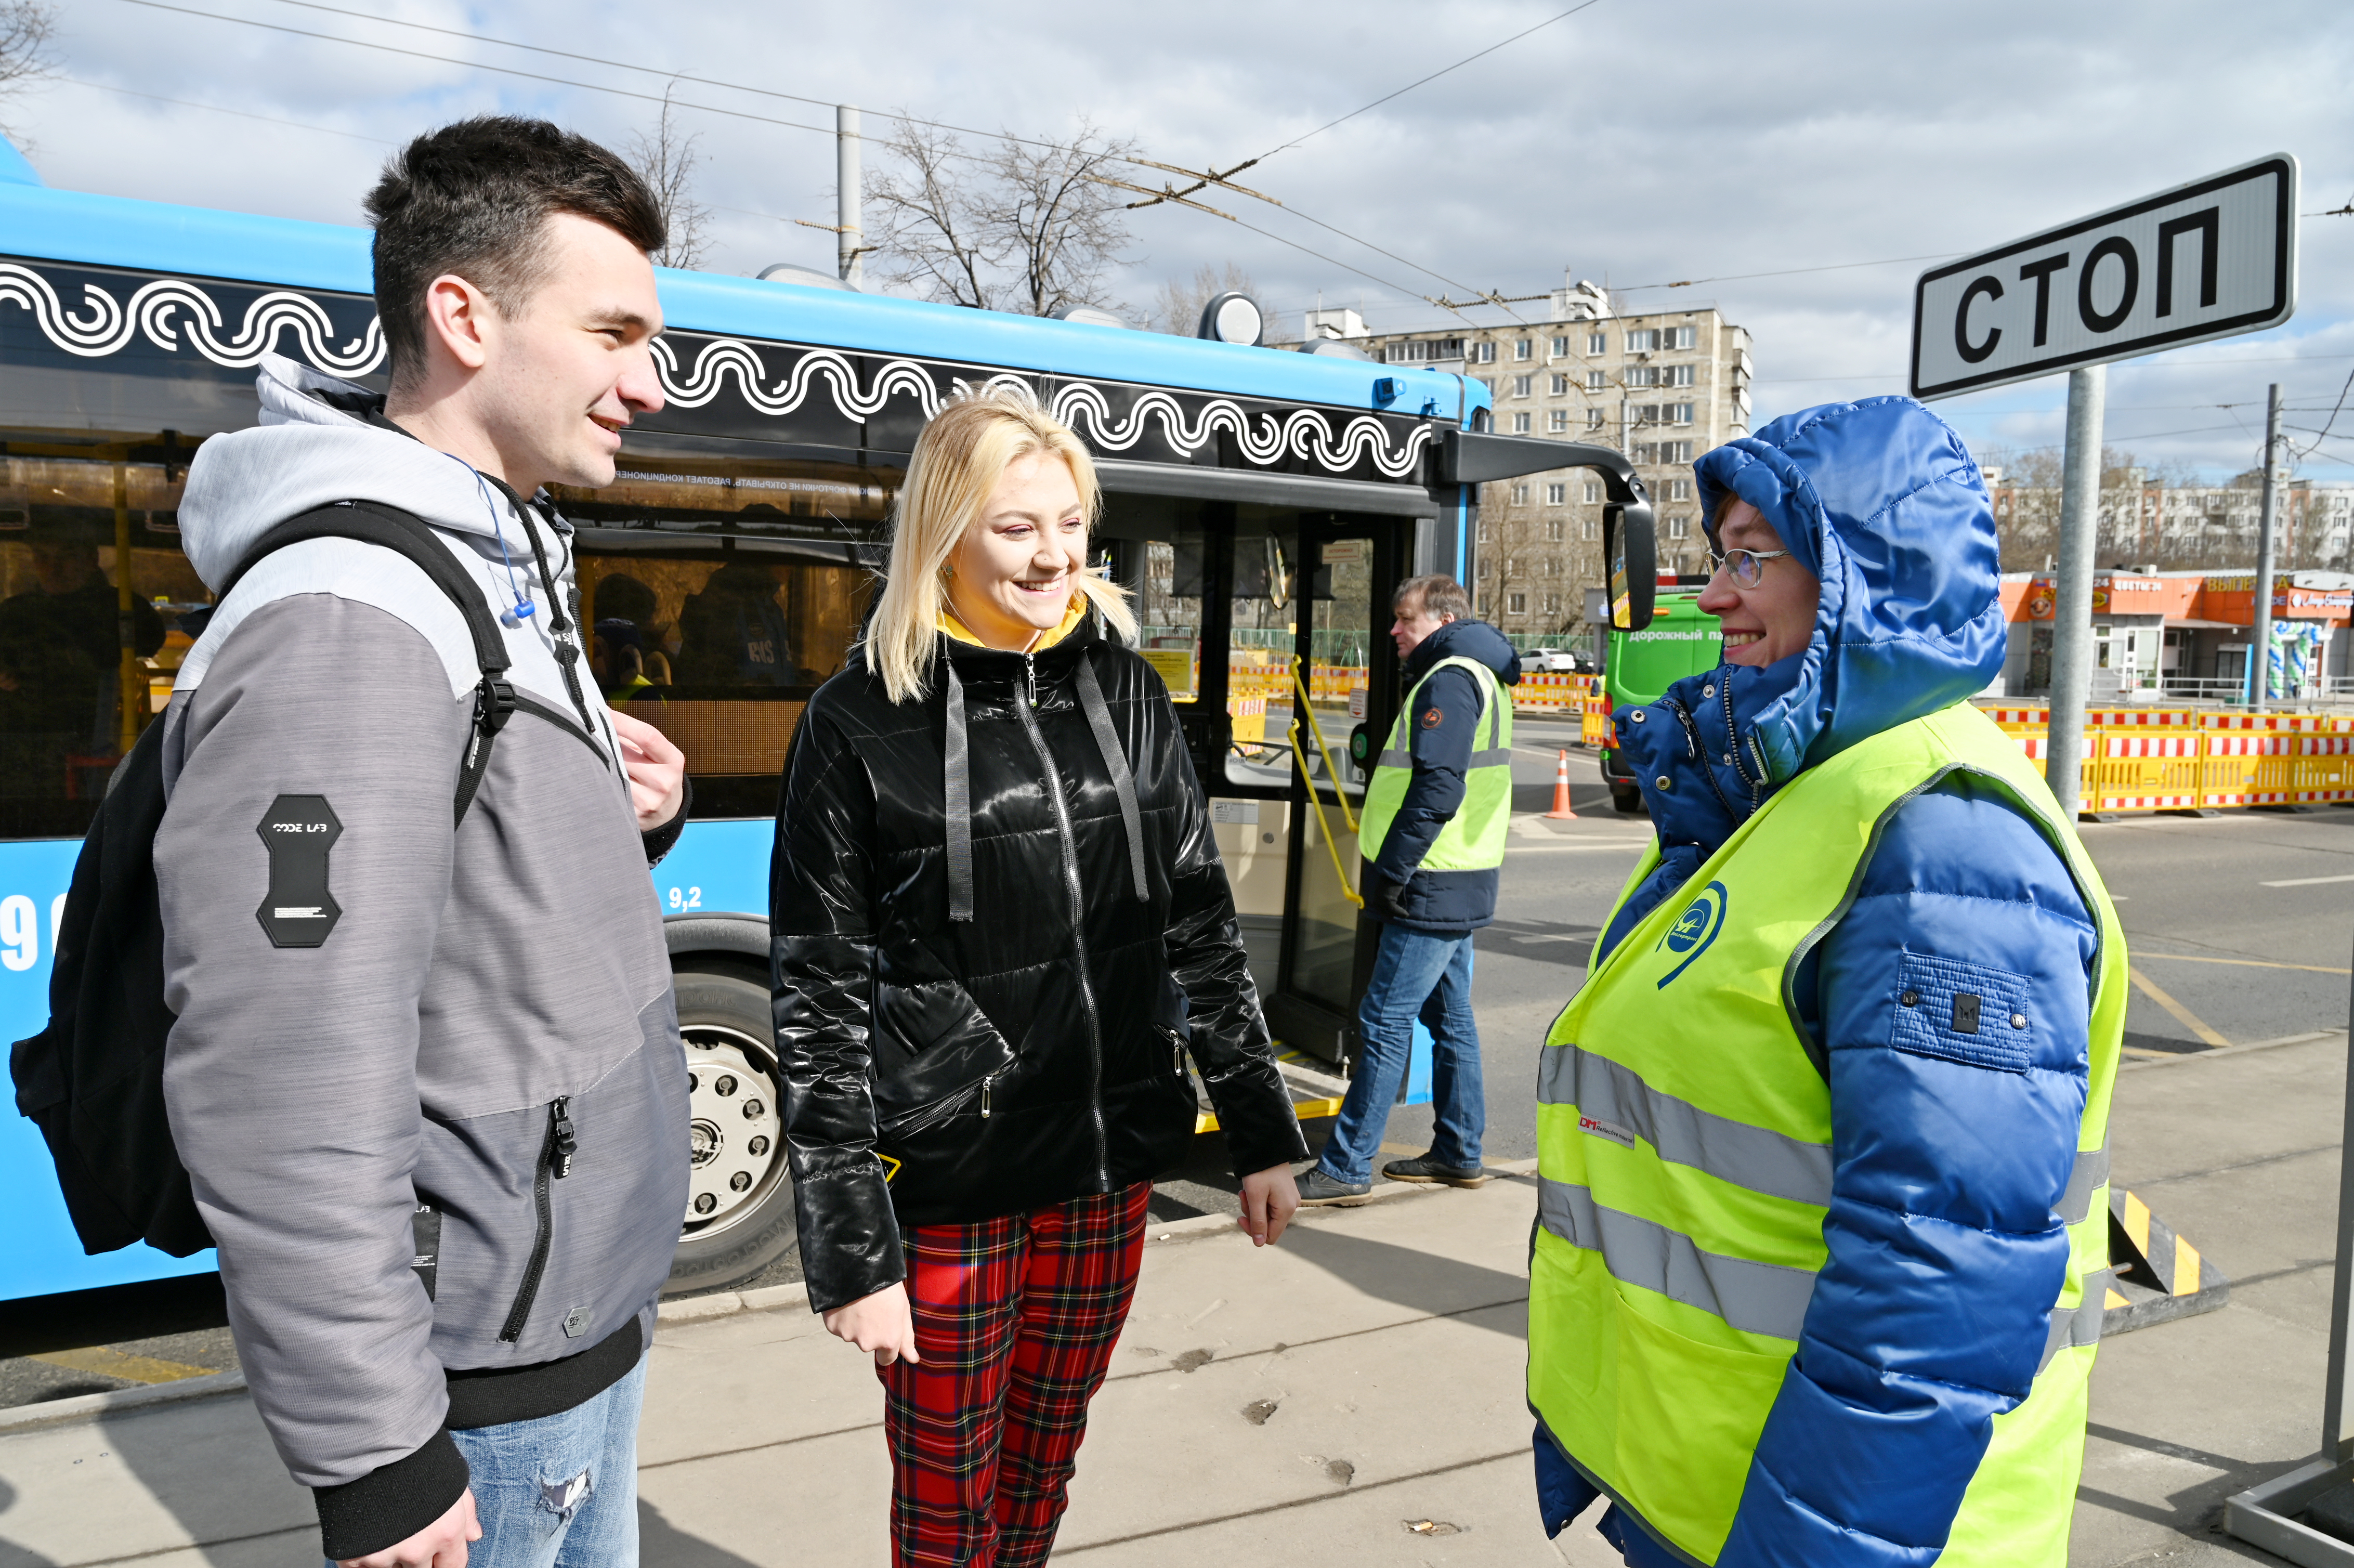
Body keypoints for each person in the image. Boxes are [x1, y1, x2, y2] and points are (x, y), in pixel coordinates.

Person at [155, 117, 697, 1568]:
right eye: (614, 331)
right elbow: (284, 1057)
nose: (651, 382)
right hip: (481, 1385)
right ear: (463, 314)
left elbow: (474, 913)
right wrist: (375, 1449)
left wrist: (616, 810)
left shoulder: (499, 551)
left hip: (565, 1318)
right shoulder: (351, 614)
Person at [1528, 397, 2124, 1567]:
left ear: (1865, 581)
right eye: (1717, 556)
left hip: (1826, 1534)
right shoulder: (1803, 790)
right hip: (1709, 1487)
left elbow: (1932, 1290)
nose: (1711, 595)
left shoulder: (1941, 847)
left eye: (1753, 557)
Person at [771, 389, 1305, 1567]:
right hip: (952, 1189)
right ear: (945, 532)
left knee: (1042, 1464)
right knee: (947, 1503)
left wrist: (1258, 1126)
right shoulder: (854, 719)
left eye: (1069, 523)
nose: (1054, 552)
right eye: (1017, 525)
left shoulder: (1121, 692)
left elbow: (1199, 925)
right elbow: (816, 997)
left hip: (1102, 1177)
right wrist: (853, 1250)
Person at [1296, 573, 1519, 1204]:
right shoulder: (1483, 676)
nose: (1394, 630)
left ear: (1443, 622)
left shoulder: (1449, 679)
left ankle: (1346, 1166)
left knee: (1384, 1018)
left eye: (1405, 619)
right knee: (1450, 1018)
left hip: (1430, 880)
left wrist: (1392, 870)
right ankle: (1458, 1150)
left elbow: (1437, 789)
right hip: (1461, 876)